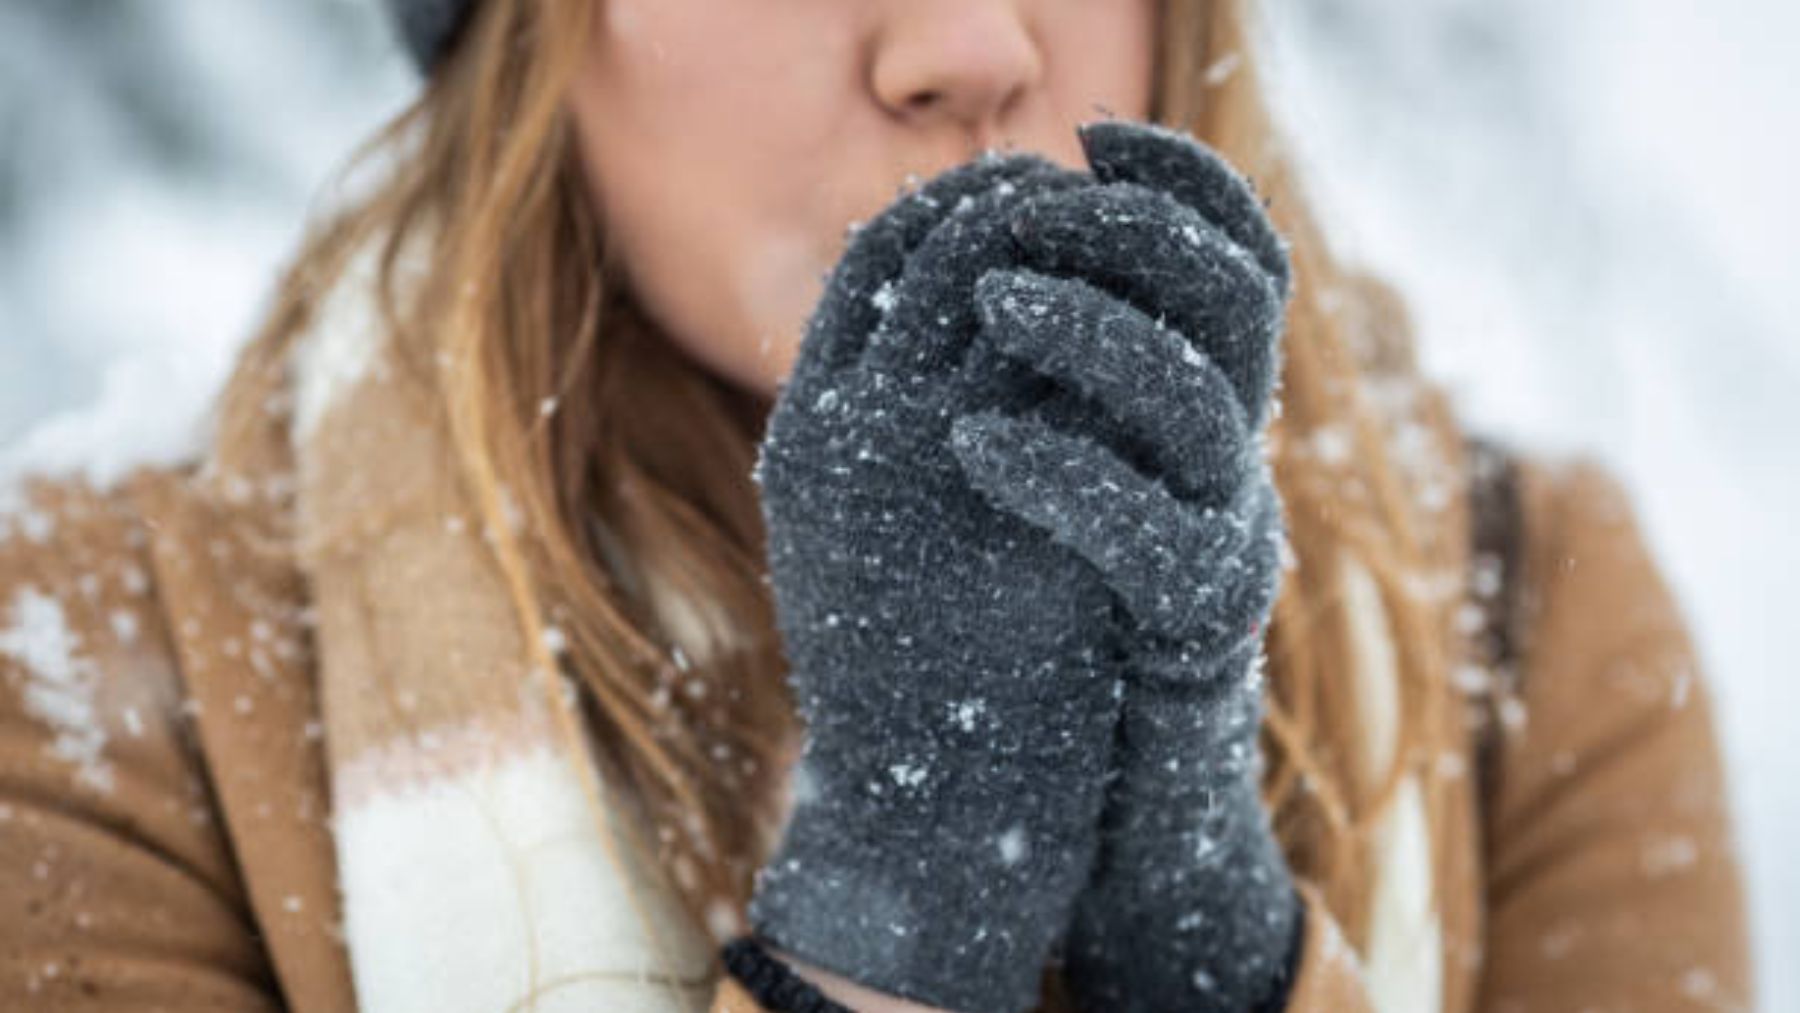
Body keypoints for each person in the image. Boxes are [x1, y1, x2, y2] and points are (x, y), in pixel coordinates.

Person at [0, 1, 1754, 1010]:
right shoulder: (104, 687)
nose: (969, 46)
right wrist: (900, 909)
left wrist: (1215, 961)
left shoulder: (1529, 619)